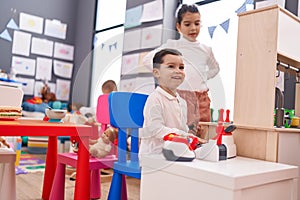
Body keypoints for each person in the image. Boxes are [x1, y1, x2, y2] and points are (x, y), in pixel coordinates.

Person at [143, 4, 220, 138]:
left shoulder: (206, 49)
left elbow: (215, 69)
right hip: (181, 95)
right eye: (187, 24)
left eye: (197, 23)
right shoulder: (173, 45)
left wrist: (202, 77)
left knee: (203, 133)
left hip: (201, 98)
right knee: (183, 134)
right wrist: (165, 75)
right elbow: (147, 60)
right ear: (178, 26)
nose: (193, 28)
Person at [139, 48, 206, 156]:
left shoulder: (182, 102)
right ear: (156, 72)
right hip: (154, 155)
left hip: (175, 152)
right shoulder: (155, 98)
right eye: (171, 66)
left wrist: (192, 138)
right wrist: (184, 136)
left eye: (181, 67)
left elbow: (182, 129)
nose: (178, 71)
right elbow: (156, 129)